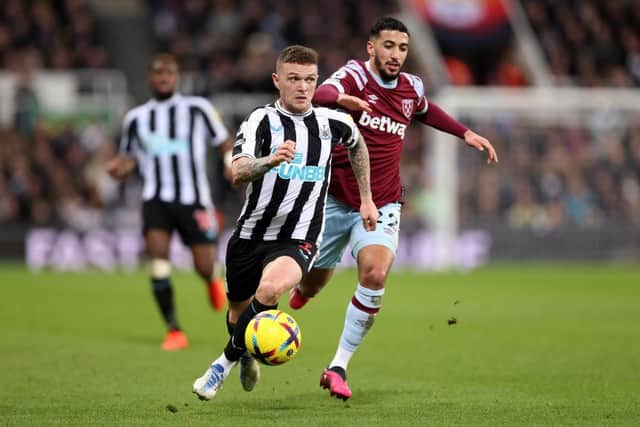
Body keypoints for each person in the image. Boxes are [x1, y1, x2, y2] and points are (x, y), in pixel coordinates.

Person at [288, 17, 499, 400]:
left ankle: (338, 366)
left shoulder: (410, 87)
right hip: (333, 200)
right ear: (372, 48)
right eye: (388, 46)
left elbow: (426, 109)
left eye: (402, 48)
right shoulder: (353, 76)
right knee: (313, 283)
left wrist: (465, 133)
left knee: (375, 272)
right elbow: (318, 95)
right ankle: (306, 289)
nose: (396, 55)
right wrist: (341, 100)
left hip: (382, 201)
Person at [191, 45, 378, 401]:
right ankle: (245, 353)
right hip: (250, 234)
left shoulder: (331, 122)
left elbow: (357, 145)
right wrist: (269, 161)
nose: (302, 87)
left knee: (270, 291)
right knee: (238, 316)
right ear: (278, 81)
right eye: (293, 79)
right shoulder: (260, 121)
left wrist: (366, 197)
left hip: (299, 236)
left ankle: (220, 366)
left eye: (309, 79)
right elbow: (238, 170)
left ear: (317, 81)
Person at [107, 53, 231, 351]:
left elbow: (224, 141)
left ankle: (212, 278)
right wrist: (118, 169)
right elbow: (127, 158)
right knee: (158, 262)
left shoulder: (198, 109)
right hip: (156, 200)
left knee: (203, 264)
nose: (163, 77)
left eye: (169, 73)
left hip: (194, 200)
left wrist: (230, 162)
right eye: (158, 73)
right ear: (151, 78)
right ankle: (174, 330)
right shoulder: (136, 118)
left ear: (176, 77)